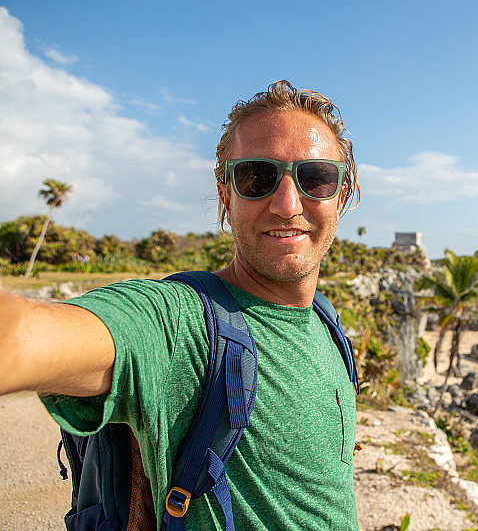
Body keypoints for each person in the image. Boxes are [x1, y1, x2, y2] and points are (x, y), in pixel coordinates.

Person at [0, 80, 361, 530]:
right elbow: (26, 334)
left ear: (341, 195)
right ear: (226, 195)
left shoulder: (327, 323)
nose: (287, 205)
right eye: (256, 177)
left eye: (315, 177)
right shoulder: (181, 321)